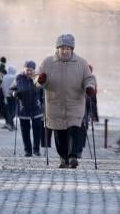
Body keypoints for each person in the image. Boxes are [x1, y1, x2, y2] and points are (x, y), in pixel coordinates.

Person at [36, 34, 96, 168]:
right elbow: (37, 80)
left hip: (75, 104)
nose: (65, 51)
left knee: (74, 130)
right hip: (55, 105)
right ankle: (64, 158)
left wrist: (89, 88)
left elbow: (89, 79)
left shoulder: (81, 63)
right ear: (57, 49)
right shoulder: (48, 62)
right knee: (60, 135)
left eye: (68, 48)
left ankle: (73, 157)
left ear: (72, 49)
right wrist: (41, 79)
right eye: (62, 48)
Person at [12, 60, 43, 157]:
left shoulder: (37, 78)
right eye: (27, 70)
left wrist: (42, 102)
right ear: (24, 69)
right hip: (23, 108)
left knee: (37, 131)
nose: (29, 72)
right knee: (25, 131)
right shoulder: (19, 78)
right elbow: (12, 89)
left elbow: (42, 91)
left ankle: (36, 149)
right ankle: (28, 151)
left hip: (36, 108)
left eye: (31, 70)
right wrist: (15, 93)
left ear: (34, 70)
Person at [77, 64, 98, 158]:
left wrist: (93, 115)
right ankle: (74, 151)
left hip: (85, 112)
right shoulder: (77, 79)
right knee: (76, 132)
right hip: (75, 111)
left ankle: (79, 150)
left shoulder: (92, 82)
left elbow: (93, 101)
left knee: (83, 132)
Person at [1, 65, 17, 131]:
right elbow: (16, 86)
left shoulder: (5, 77)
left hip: (7, 96)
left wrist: (4, 95)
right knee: (13, 110)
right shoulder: (14, 77)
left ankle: (11, 124)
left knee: (9, 110)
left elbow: (2, 87)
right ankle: (10, 124)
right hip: (13, 95)